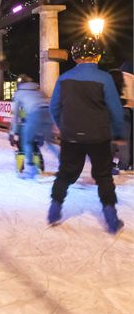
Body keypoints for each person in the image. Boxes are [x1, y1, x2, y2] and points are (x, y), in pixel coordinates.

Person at [47, 37, 125, 234]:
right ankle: (111, 217)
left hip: (71, 135)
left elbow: (54, 107)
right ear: (97, 55)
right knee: (103, 175)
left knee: (65, 173)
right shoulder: (104, 78)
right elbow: (116, 110)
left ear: (74, 57)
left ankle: (54, 210)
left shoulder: (64, 79)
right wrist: (118, 132)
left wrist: (64, 127)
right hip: (98, 136)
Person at [9, 75, 57, 179]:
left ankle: (31, 169)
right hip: (48, 113)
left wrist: (13, 132)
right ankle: (65, 165)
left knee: (27, 142)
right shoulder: (38, 90)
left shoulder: (19, 93)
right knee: (50, 142)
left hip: (35, 114)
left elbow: (16, 114)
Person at [108, 67, 133, 172]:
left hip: (110, 111)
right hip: (125, 112)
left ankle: (108, 164)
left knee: (110, 140)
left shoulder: (108, 78)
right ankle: (124, 165)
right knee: (124, 142)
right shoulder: (131, 78)